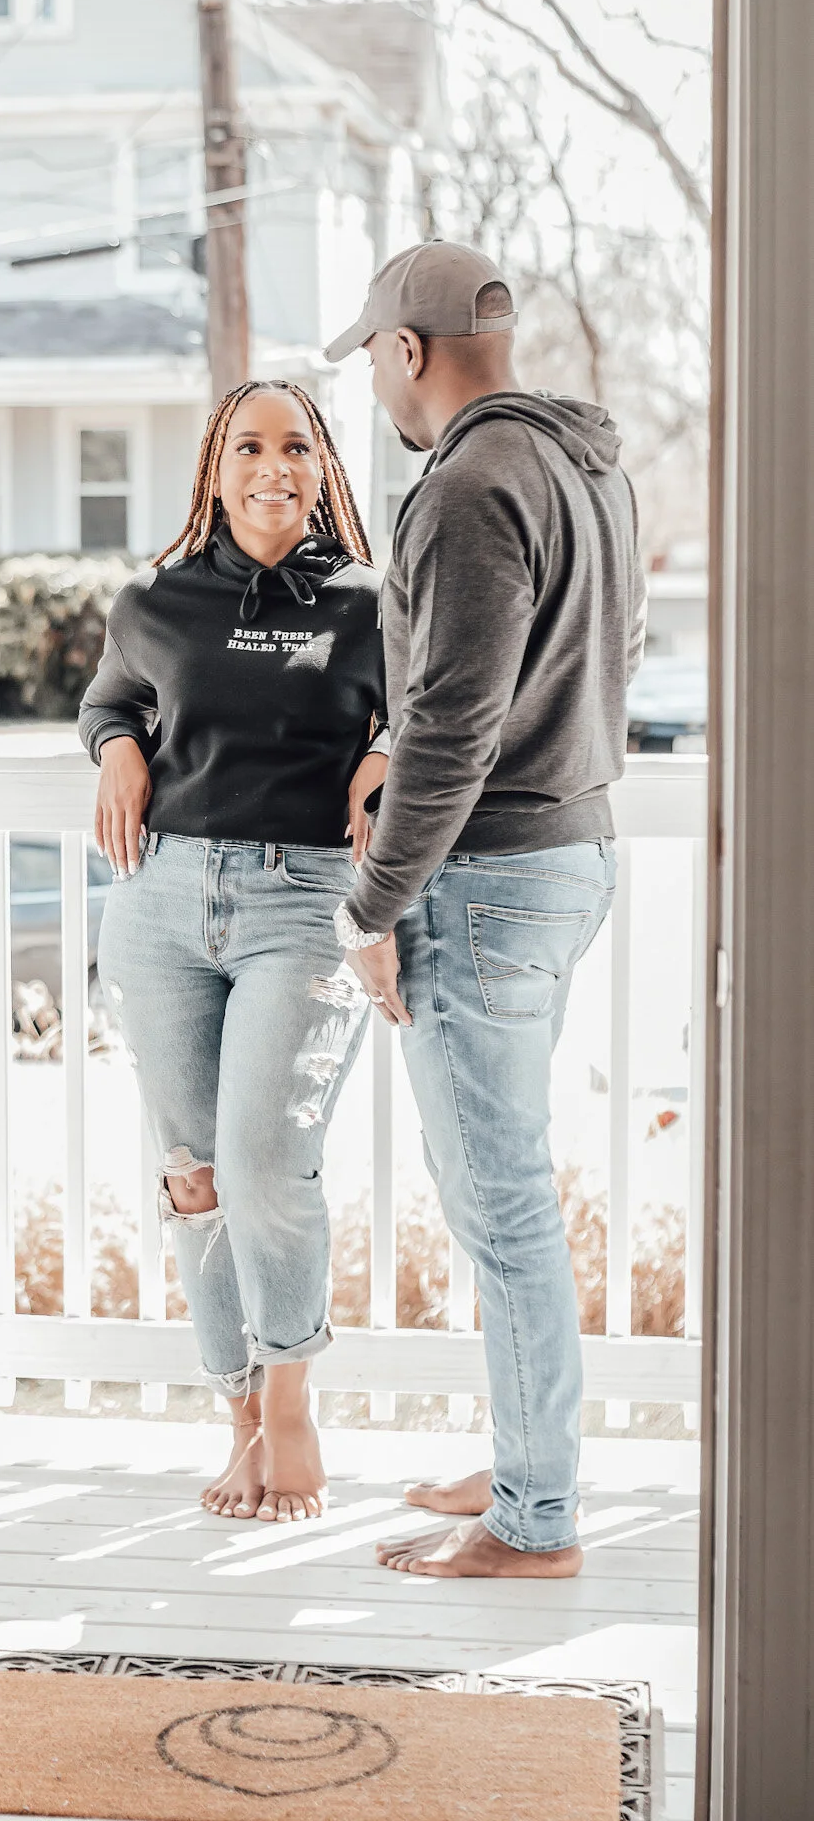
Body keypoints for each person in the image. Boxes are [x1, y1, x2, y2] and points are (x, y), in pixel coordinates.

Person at [323, 240, 646, 1580]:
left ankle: (533, 1521)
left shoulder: (464, 484)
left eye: (374, 361)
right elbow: (593, 662)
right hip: (569, 855)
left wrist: (369, 901)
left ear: (407, 350)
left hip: (482, 878)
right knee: (503, 1190)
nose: (378, 393)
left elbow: (450, 727)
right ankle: (525, 1458)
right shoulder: (586, 462)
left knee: (499, 1204)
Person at [79, 379, 388, 1526]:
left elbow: (438, 715)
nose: (273, 465)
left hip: (303, 902)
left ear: (324, 467)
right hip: (159, 902)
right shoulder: (155, 597)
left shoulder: (369, 603)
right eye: (249, 445)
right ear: (216, 464)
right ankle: (239, 1410)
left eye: (295, 445)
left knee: (266, 1162)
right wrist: (116, 748)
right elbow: (111, 699)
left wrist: (387, 755)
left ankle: (295, 1398)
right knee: (194, 1171)